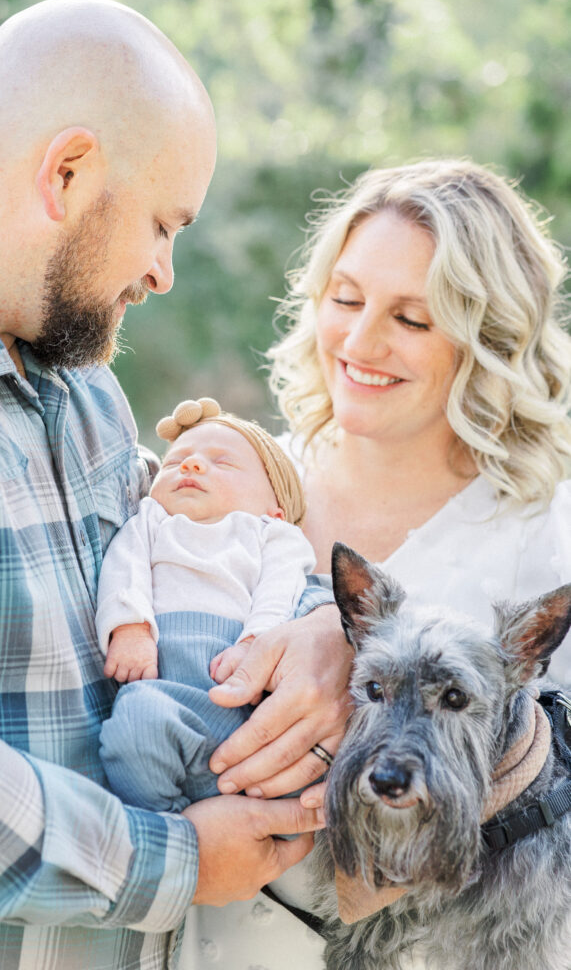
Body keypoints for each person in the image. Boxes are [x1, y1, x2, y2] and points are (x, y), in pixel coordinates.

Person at [0, 0, 347, 970]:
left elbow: (178, 523)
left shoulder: (75, 380)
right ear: (65, 173)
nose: (164, 271)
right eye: (160, 224)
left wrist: (313, 624)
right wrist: (172, 864)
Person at [180, 158, 571, 968]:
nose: (359, 342)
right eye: (346, 299)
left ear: (488, 339)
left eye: (413, 320)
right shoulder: (243, 488)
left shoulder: (547, 532)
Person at [96, 397, 316, 812]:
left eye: (223, 463)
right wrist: (131, 628)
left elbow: (282, 589)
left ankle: (267, 831)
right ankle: (175, 826)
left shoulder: (272, 534)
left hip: (249, 706)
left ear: (277, 508)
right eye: (177, 459)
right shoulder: (150, 521)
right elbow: (124, 569)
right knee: (134, 729)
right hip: (165, 697)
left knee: (305, 757)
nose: (192, 466)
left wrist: (256, 642)